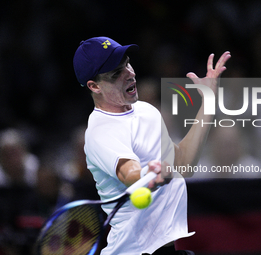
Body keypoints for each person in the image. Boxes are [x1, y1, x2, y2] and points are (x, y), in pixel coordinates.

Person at [73, 36, 230, 255]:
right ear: (94, 86)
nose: (130, 73)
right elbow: (130, 174)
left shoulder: (146, 111)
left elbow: (183, 163)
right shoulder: (101, 132)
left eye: (127, 63)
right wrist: (150, 175)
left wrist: (209, 100)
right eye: (117, 73)